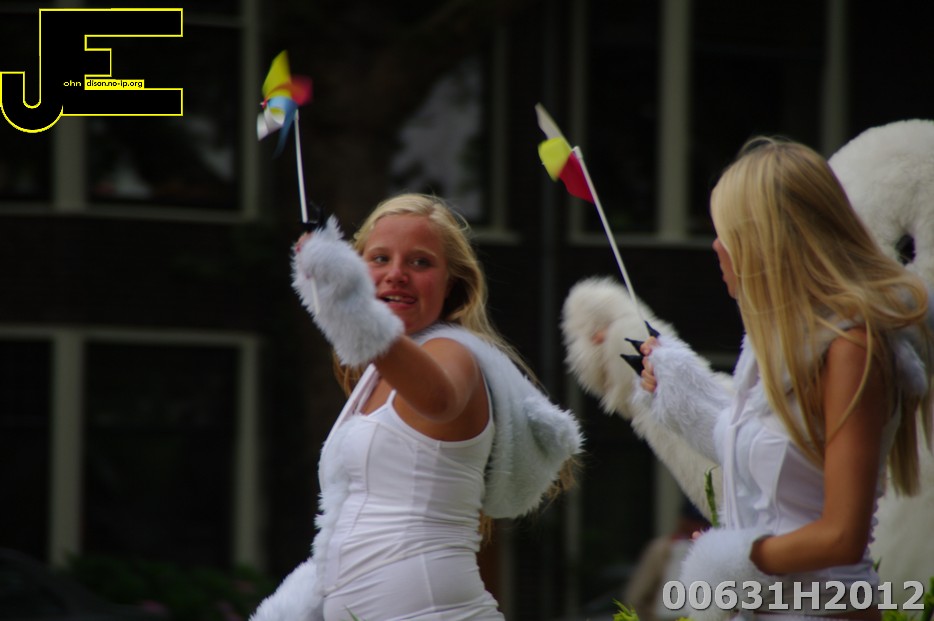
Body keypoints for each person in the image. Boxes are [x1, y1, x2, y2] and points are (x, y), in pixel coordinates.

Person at [631, 137, 934, 621]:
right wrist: (682, 391)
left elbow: (842, 536)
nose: (716, 247)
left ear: (765, 243)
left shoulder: (853, 346)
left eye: (726, 233)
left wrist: (727, 562)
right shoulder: (774, 342)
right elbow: (769, 451)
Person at [249, 193, 582, 621]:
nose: (396, 274)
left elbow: (439, 399)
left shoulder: (454, 352)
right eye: (379, 258)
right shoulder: (377, 373)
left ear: (451, 284)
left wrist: (346, 304)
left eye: (420, 262)